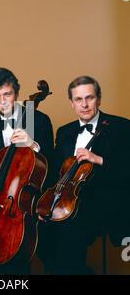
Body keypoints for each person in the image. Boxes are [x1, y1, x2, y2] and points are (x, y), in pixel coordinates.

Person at [39, 76, 130, 274]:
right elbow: (56, 169)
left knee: (69, 228)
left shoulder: (121, 127)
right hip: (68, 200)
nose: (85, 104)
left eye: (89, 98)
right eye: (78, 99)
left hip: (104, 200)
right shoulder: (65, 132)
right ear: (71, 103)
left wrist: (99, 159)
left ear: (99, 99)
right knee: (40, 229)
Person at [0, 67, 54, 274]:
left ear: (17, 94)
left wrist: (33, 145)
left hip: (30, 199)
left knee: (47, 249)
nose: (2, 101)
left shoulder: (39, 120)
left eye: (7, 94)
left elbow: (52, 162)